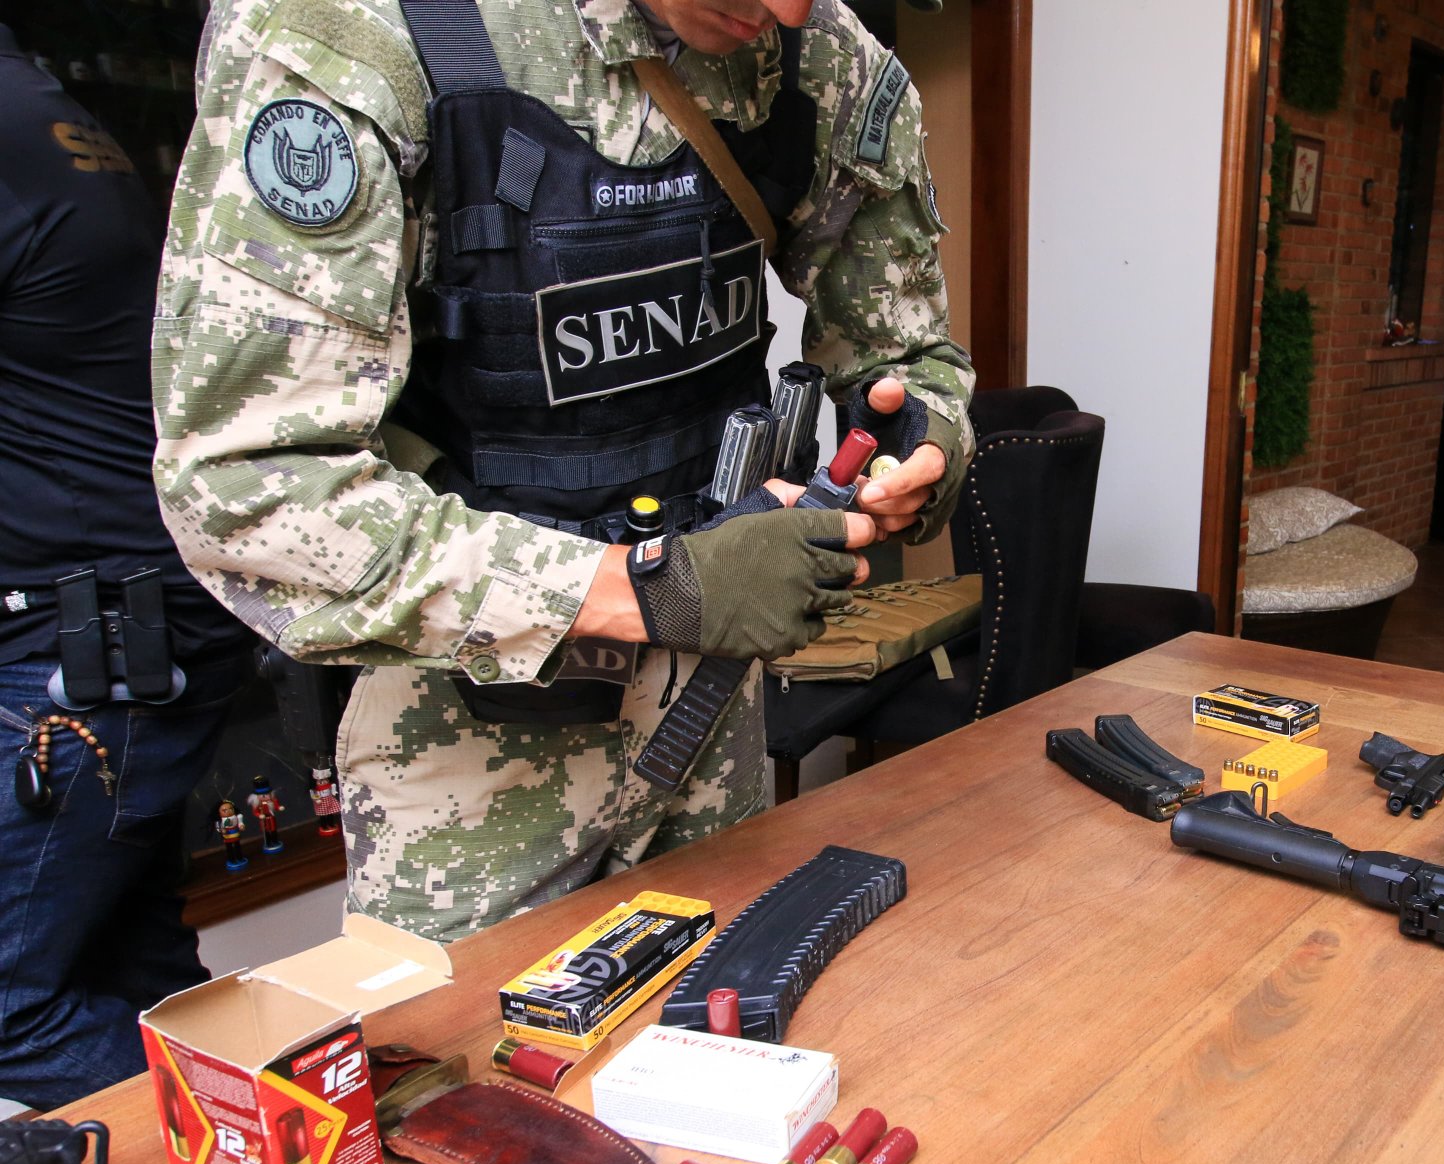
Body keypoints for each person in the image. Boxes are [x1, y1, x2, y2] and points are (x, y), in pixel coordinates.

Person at [154, 0, 974, 942]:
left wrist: (924, 437)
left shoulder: (817, 51)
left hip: (715, 716)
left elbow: (907, 350)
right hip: (473, 761)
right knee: (468, 1084)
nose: (787, 8)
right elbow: (247, 489)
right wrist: (651, 591)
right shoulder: (355, 30)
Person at [0, 25, 254, 1110]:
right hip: (117, 623)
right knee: (132, 975)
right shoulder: (38, 103)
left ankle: (267, 1149)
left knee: (7, 1005)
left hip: (89, 645)